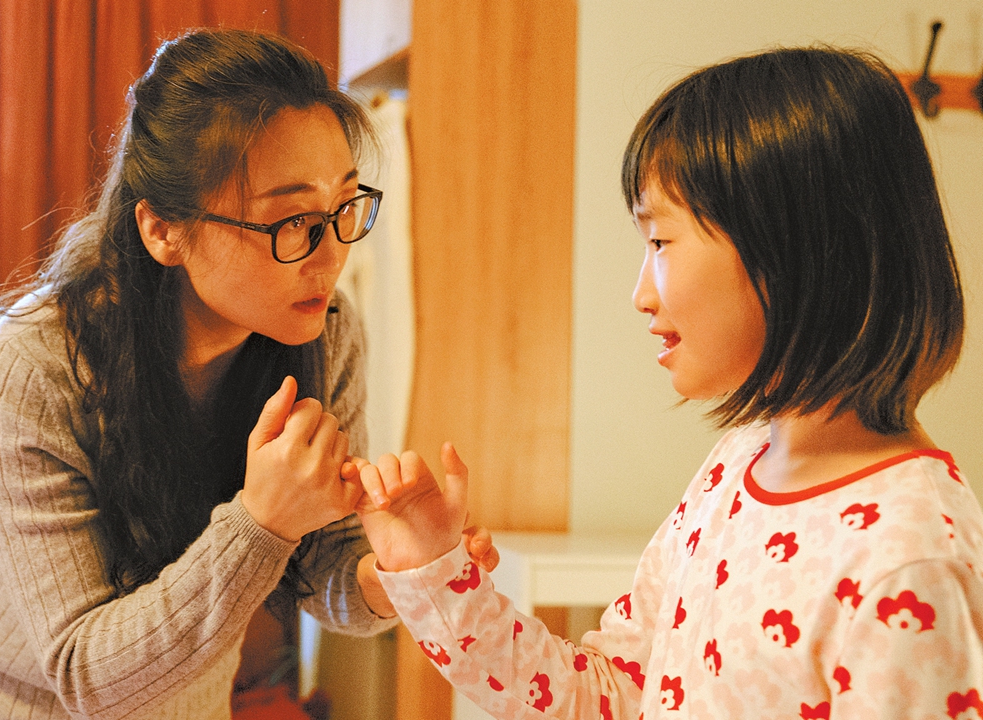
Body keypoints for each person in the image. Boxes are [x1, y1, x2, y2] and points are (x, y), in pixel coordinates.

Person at [352, 46, 983, 718]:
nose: (640, 295)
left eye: (659, 243)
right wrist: (436, 572)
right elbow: (607, 694)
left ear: (793, 254)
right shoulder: (737, 465)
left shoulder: (907, 560)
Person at [0, 28, 403, 719]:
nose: (329, 258)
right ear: (163, 229)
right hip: (10, 701)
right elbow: (85, 676)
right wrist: (260, 522)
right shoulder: (29, 365)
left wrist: (396, 573)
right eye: (292, 221)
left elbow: (324, 567)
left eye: (343, 207)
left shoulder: (327, 331)